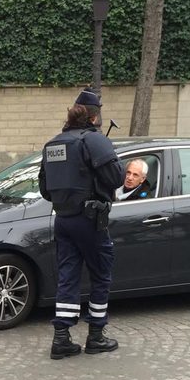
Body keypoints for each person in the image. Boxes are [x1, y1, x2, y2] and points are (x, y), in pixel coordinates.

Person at [38, 89, 123, 360]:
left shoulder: (54, 144)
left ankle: (61, 338)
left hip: (63, 219)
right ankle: (96, 335)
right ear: (95, 116)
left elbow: (44, 188)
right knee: (101, 274)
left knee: (68, 276)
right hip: (90, 220)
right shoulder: (94, 140)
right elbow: (116, 177)